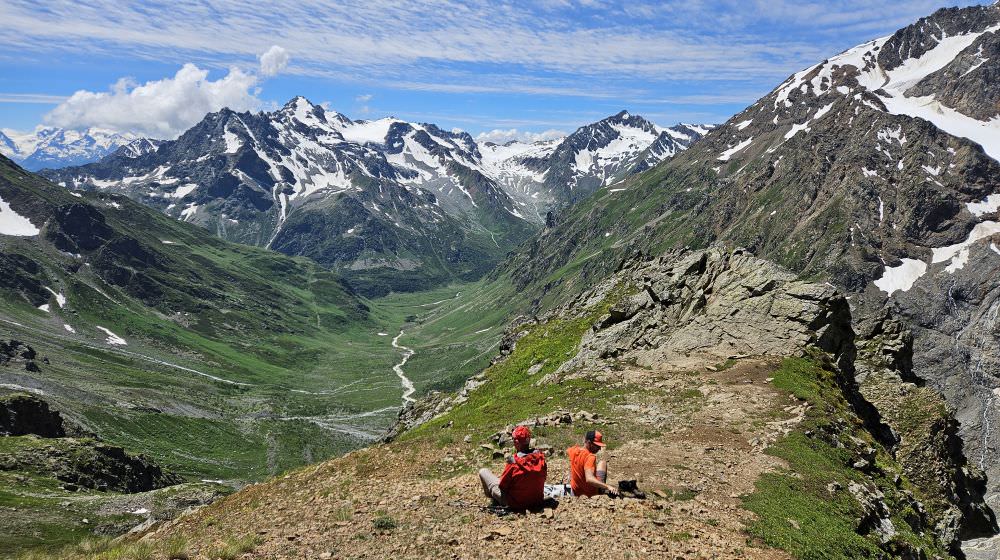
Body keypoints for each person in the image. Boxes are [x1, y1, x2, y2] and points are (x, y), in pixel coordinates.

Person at [478, 425, 547, 510]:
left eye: (514, 440)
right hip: (536, 500)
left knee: (483, 471)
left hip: (515, 504)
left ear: (517, 443)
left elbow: (502, 486)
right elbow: (544, 477)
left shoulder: (514, 462)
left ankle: (494, 500)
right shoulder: (540, 458)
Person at [567, 430, 617, 497]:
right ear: (589, 443)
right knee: (603, 463)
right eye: (597, 445)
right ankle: (601, 491)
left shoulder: (573, 450)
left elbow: (568, 451)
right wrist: (608, 487)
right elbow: (589, 479)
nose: (599, 448)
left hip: (575, 491)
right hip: (590, 493)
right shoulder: (590, 457)